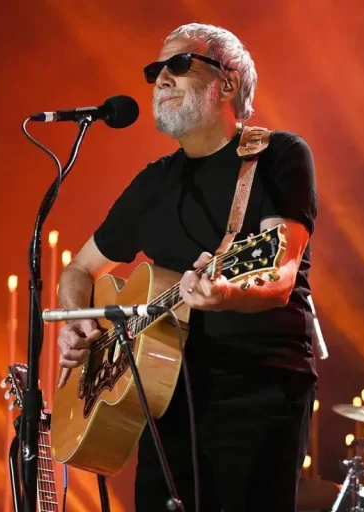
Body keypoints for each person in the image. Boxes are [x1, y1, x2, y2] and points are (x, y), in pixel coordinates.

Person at [55, 22, 318, 511]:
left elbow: (281, 273)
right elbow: (78, 269)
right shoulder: (155, 181)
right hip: (162, 399)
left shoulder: (279, 156)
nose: (161, 79)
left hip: (255, 389)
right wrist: (75, 320)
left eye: (179, 65)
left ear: (229, 82)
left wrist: (229, 295)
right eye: (156, 70)